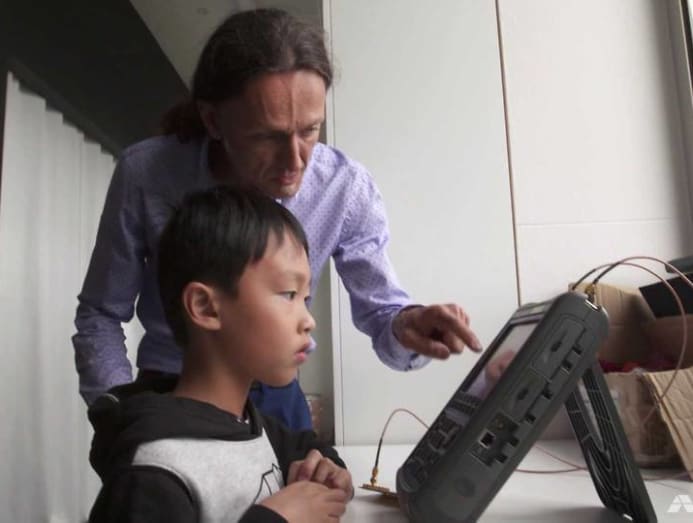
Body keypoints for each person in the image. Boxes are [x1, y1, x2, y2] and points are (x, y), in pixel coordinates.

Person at [72, 7, 481, 430]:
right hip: (172, 388)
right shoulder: (146, 174)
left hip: (277, 394)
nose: (295, 161)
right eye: (267, 136)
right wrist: (118, 415)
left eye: (310, 131)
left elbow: (383, 316)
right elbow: (101, 313)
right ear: (213, 120)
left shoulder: (344, 188)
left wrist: (407, 324)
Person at [87, 186, 352, 523]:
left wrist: (329, 469)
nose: (308, 321)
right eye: (288, 294)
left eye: (305, 297)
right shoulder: (150, 473)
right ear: (205, 307)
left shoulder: (248, 422)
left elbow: (305, 447)